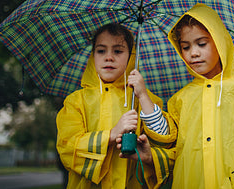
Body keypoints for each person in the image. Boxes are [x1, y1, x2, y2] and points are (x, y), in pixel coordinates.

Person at [132, 3, 234, 188]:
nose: (193, 53)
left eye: (201, 44)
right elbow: (170, 143)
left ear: (220, 42)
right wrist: (142, 95)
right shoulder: (181, 99)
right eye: (185, 47)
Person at [56, 23, 169, 188]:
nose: (109, 57)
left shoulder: (140, 98)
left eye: (118, 51)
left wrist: (143, 96)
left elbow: (164, 141)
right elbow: (67, 147)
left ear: (131, 57)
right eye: (101, 51)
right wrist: (111, 134)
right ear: (92, 55)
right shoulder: (76, 101)